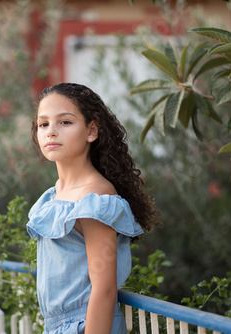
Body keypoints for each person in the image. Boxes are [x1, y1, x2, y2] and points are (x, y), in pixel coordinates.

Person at [26, 83, 159, 334]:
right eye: (43, 124)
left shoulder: (95, 197)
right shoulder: (56, 194)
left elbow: (104, 290)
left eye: (65, 122)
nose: (51, 132)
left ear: (92, 131)